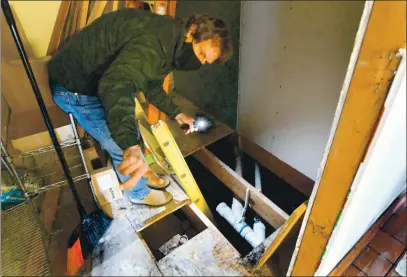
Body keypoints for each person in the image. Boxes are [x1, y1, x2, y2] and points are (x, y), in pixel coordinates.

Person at [47, 8, 233, 207]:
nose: (200, 62)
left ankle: (142, 172)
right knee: (122, 143)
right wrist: (130, 145)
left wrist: (176, 113)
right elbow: (116, 85)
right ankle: (139, 193)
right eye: (201, 53)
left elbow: (150, 82)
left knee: (130, 133)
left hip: (94, 78)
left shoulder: (172, 39)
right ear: (192, 31)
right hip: (74, 86)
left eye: (205, 61)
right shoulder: (155, 45)